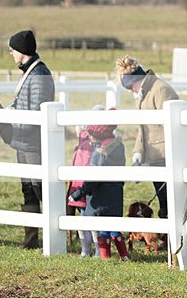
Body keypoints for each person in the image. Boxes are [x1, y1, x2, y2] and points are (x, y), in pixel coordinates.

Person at [7, 30, 55, 249]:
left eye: (13, 50)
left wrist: (16, 124)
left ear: (22, 51)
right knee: (28, 189)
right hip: (24, 142)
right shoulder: (30, 72)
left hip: (33, 142)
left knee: (39, 188)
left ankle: (56, 235)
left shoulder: (39, 74)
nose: (11, 53)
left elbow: (37, 109)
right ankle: (31, 239)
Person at [116, 55, 179, 218]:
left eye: (130, 87)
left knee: (169, 202)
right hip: (154, 156)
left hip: (165, 155)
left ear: (134, 81)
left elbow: (171, 127)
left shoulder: (160, 90)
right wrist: (138, 154)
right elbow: (143, 128)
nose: (130, 91)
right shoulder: (144, 94)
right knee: (163, 201)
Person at [68, 120, 129, 260]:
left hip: (99, 199)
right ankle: (124, 255)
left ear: (97, 136)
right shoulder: (119, 148)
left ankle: (104, 257)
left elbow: (92, 181)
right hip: (115, 195)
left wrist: (78, 193)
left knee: (102, 229)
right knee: (114, 228)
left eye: (90, 135)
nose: (88, 137)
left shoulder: (99, 155)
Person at [67, 119, 98, 257]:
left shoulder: (85, 147)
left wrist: (79, 189)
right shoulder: (82, 146)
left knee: (86, 219)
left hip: (81, 188)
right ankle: (90, 249)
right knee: (85, 219)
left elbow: (85, 167)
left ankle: (90, 249)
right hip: (81, 187)